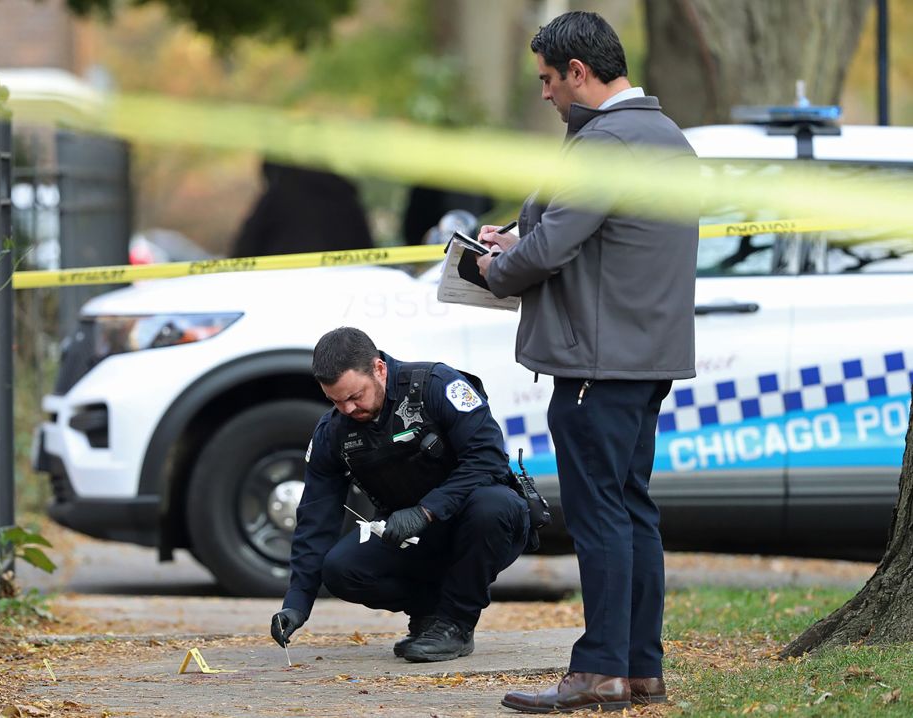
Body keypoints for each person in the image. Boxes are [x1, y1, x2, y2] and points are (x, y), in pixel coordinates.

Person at [476, 11, 698, 714]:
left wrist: (493, 264)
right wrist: (517, 237)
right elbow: (600, 238)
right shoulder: (666, 137)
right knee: (632, 513)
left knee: (601, 516)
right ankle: (640, 670)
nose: (545, 94)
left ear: (579, 71)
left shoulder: (606, 142)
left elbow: (547, 254)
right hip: (645, 359)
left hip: (596, 363)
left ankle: (598, 670)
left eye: (548, 79)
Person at [269, 327, 531, 663]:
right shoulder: (333, 432)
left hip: (480, 522)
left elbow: (488, 460)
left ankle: (455, 625)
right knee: (340, 569)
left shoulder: (437, 385)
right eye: (336, 401)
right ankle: (429, 614)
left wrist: (425, 512)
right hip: (411, 536)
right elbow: (316, 517)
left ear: (379, 369)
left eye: (355, 396)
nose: (347, 408)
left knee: (493, 506)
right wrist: (296, 603)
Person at [230, 161, 374, 258]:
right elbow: (366, 251)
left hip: (284, 281)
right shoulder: (344, 197)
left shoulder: (280, 195)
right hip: (338, 287)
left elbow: (246, 248)